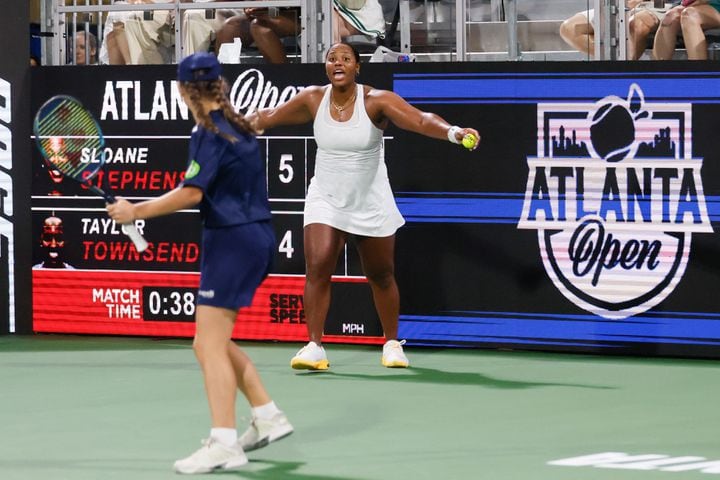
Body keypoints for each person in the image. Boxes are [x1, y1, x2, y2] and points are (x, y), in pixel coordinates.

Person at [106, 52, 293, 474]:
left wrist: (137, 211)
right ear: (219, 85)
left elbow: (191, 193)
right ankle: (266, 415)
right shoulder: (239, 125)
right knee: (212, 342)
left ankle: (224, 442)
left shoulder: (208, 133)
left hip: (232, 241)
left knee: (207, 344)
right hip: (254, 237)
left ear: (181, 90)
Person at [246, 42, 479, 371]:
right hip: (325, 197)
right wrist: (232, 122)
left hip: (370, 199)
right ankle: (314, 345)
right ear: (326, 67)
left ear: (357, 67)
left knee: (381, 274)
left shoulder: (376, 101)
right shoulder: (314, 98)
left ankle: (392, 343)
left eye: (345, 59)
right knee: (318, 266)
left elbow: (420, 120)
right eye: (332, 59)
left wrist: (453, 132)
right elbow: (269, 116)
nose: (337, 63)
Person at [560, 1, 680, 60]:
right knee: (570, 28)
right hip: (618, 4)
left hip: (659, 5)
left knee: (635, 25)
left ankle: (625, 74)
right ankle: (614, 63)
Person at [215, 7, 301, 64]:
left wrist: (267, 4)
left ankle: (286, 79)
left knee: (260, 26)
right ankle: (228, 80)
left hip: (302, 12)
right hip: (268, 11)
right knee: (229, 27)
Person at [99, 0, 174, 65]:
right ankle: (122, 73)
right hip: (136, 9)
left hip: (162, 12)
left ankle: (131, 68)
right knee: (114, 29)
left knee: (127, 18)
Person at [653, 0, 720, 59]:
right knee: (669, 18)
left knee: (689, 16)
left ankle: (698, 70)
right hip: (692, 4)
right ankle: (658, 70)